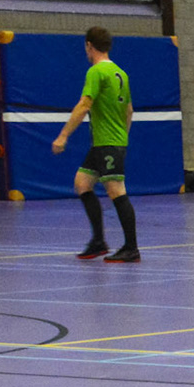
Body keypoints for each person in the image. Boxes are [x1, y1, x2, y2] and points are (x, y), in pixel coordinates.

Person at [51, 27, 139, 263]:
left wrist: (63, 135)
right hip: (107, 142)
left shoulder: (96, 71)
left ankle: (131, 247)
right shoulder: (121, 73)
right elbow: (129, 110)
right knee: (82, 183)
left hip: (107, 142)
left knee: (116, 190)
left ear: (89, 45)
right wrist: (123, 136)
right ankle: (99, 241)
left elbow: (84, 105)